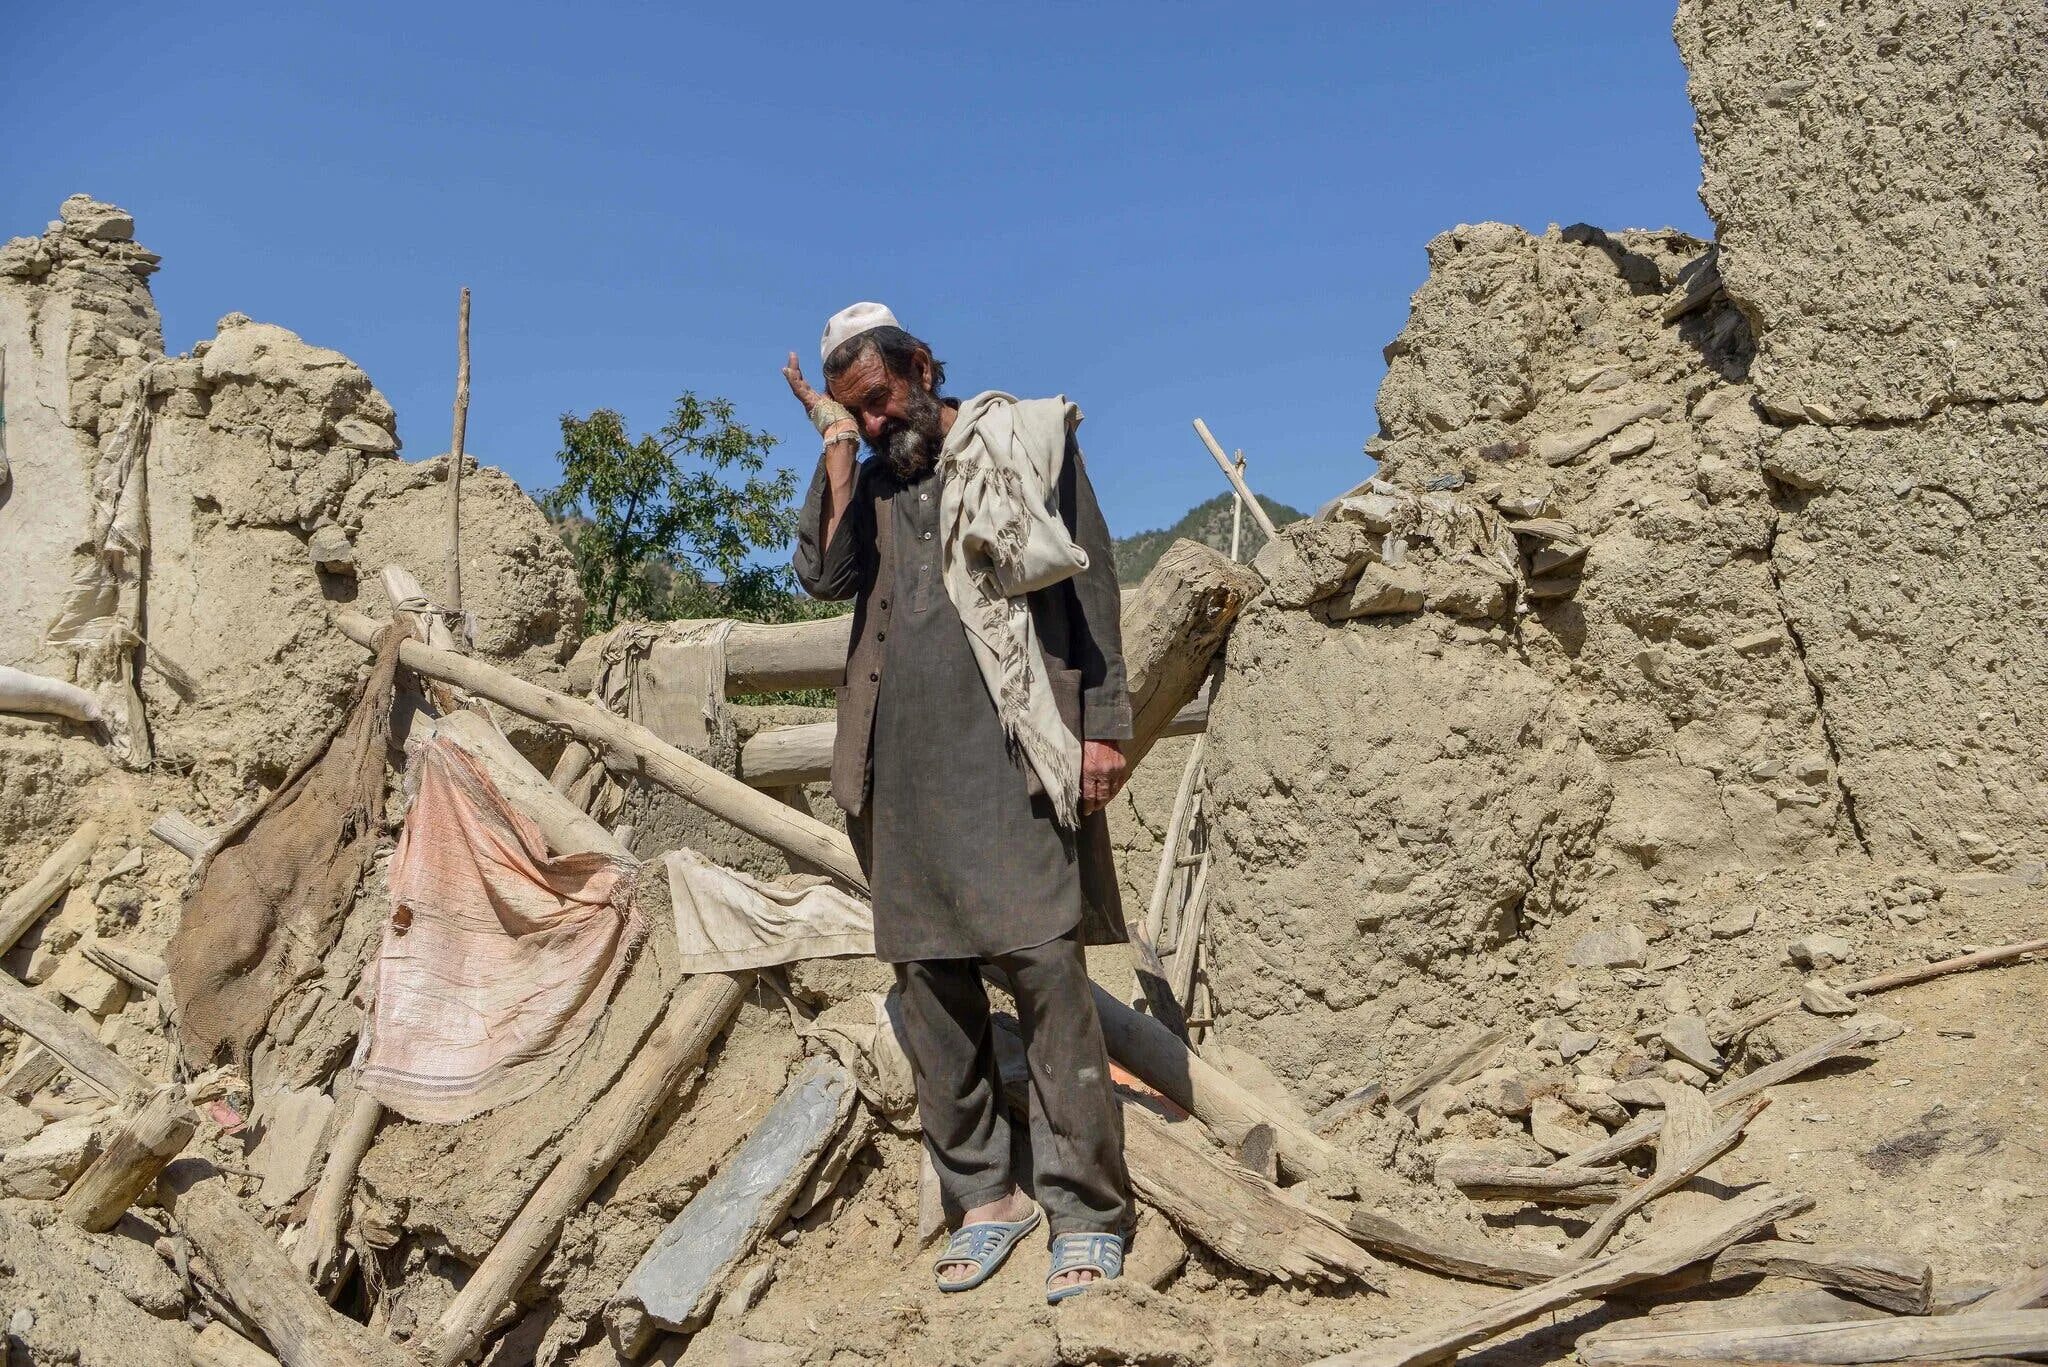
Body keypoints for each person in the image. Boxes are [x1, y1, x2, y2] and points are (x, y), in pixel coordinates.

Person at [783, 303, 1134, 1303]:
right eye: (854, 408)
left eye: (881, 398)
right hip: (898, 769)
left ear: (922, 366)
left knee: (1043, 969)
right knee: (930, 986)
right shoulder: (875, 475)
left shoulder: (1024, 441)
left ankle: (1086, 1207)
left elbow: (1094, 579)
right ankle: (984, 1194)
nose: (876, 418)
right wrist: (837, 449)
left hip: (1007, 753)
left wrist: (1103, 722)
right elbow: (821, 575)